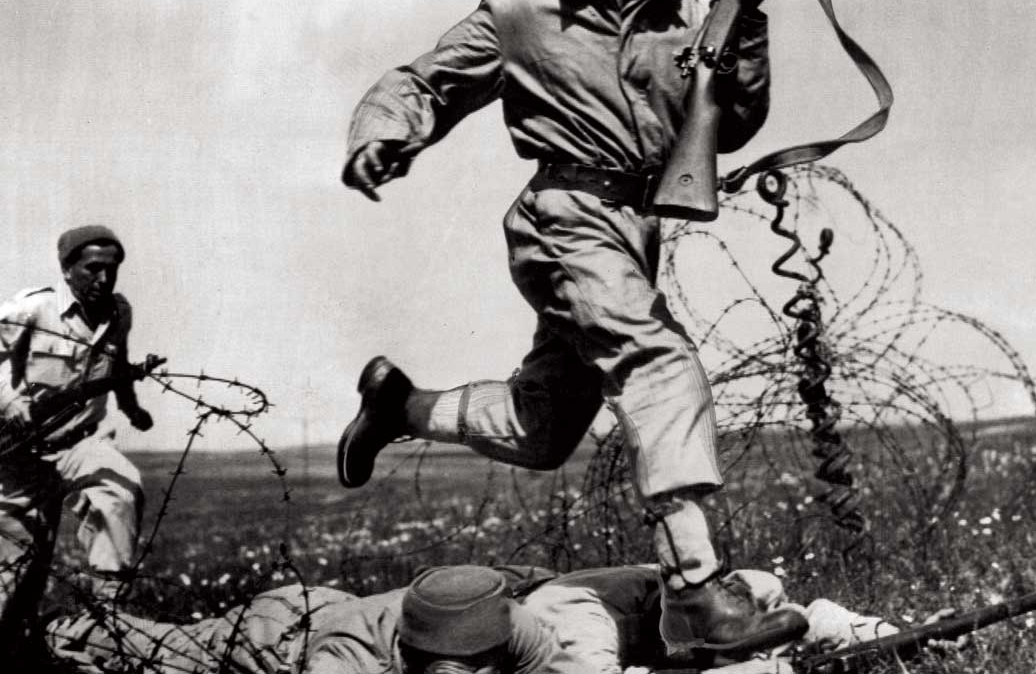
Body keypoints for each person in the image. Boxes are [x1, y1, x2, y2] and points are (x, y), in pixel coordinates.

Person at [336, 0, 790, 651]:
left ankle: (399, 403)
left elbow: (732, 126)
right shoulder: (525, 6)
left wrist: (749, 21)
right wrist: (381, 132)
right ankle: (694, 589)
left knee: (542, 428)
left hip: (632, 233)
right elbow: (427, 82)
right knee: (658, 358)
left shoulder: (685, 17)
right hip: (562, 218)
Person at [45, 563, 900, 674]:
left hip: (336, 603)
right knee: (139, 652)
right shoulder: (346, 661)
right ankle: (51, 627)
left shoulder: (522, 633)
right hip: (284, 630)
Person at [0, 225, 157, 646]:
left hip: (81, 443)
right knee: (13, 574)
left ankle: (105, 617)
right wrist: (7, 400)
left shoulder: (118, 313)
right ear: (67, 269)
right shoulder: (35, 310)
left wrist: (131, 408)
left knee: (119, 489)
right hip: (21, 457)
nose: (103, 280)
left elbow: (118, 366)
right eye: (92, 269)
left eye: (112, 270)